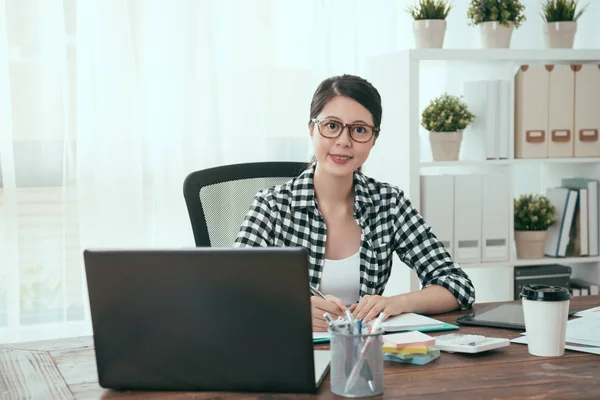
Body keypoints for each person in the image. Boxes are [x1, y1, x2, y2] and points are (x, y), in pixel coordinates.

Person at [234, 74, 475, 332]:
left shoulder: (388, 203)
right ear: (312, 129)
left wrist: (397, 303)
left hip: (364, 354)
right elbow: (229, 291)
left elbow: (458, 285)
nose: (343, 141)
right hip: (288, 352)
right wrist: (292, 308)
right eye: (331, 125)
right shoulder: (271, 206)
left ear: (374, 139)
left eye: (359, 129)